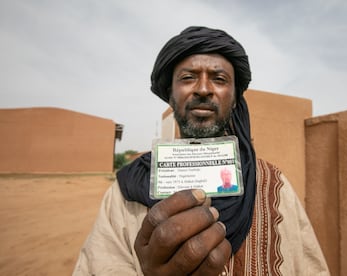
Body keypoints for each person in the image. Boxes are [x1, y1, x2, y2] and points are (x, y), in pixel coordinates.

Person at [73, 26, 330, 275]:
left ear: (235, 97)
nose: (204, 89)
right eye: (188, 78)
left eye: (219, 79)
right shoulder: (127, 190)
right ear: (170, 94)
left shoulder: (273, 186)